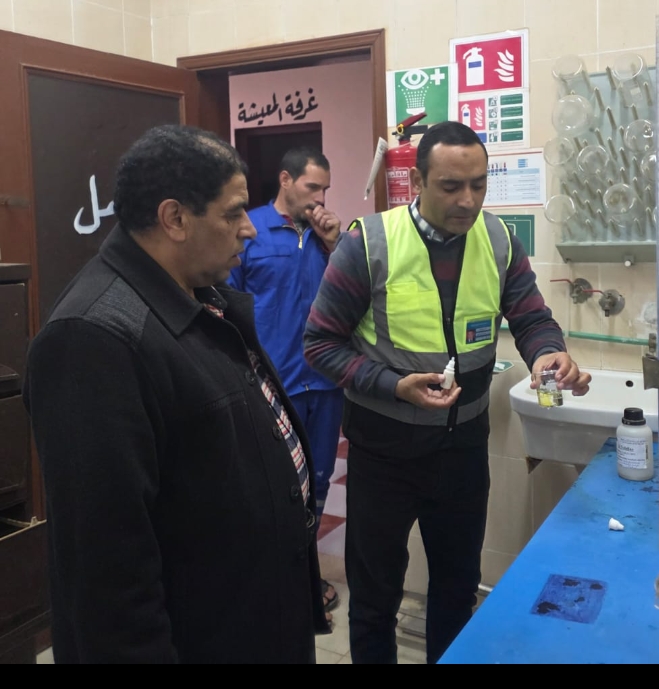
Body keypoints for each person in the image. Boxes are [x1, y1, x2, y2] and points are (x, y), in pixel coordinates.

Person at [23, 125, 329, 663]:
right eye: (233, 213)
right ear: (175, 218)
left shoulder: (201, 293)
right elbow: (108, 580)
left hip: (254, 621)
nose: (249, 230)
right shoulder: (92, 339)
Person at [303, 120, 592, 664]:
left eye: (479, 185)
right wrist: (393, 385)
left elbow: (531, 317)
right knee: (375, 598)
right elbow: (319, 344)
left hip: (462, 452)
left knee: (457, 591)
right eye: (451, 186)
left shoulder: (499, 240)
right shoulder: (368, 243)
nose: (468, 200)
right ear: (417, 182)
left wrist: (547, 352)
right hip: (383, 453)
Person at [227, 147, 343, 615]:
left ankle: (305, 575)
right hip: (272, 385)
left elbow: (354, 297)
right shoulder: (249, 230)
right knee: (274, 486)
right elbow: (226, 306)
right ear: (285, 180)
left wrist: (335, 245)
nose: (320, 199)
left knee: (319, 482)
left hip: (325, 383)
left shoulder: (326, 236)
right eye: (313, 187)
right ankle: (271, 581)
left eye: (325, 189)